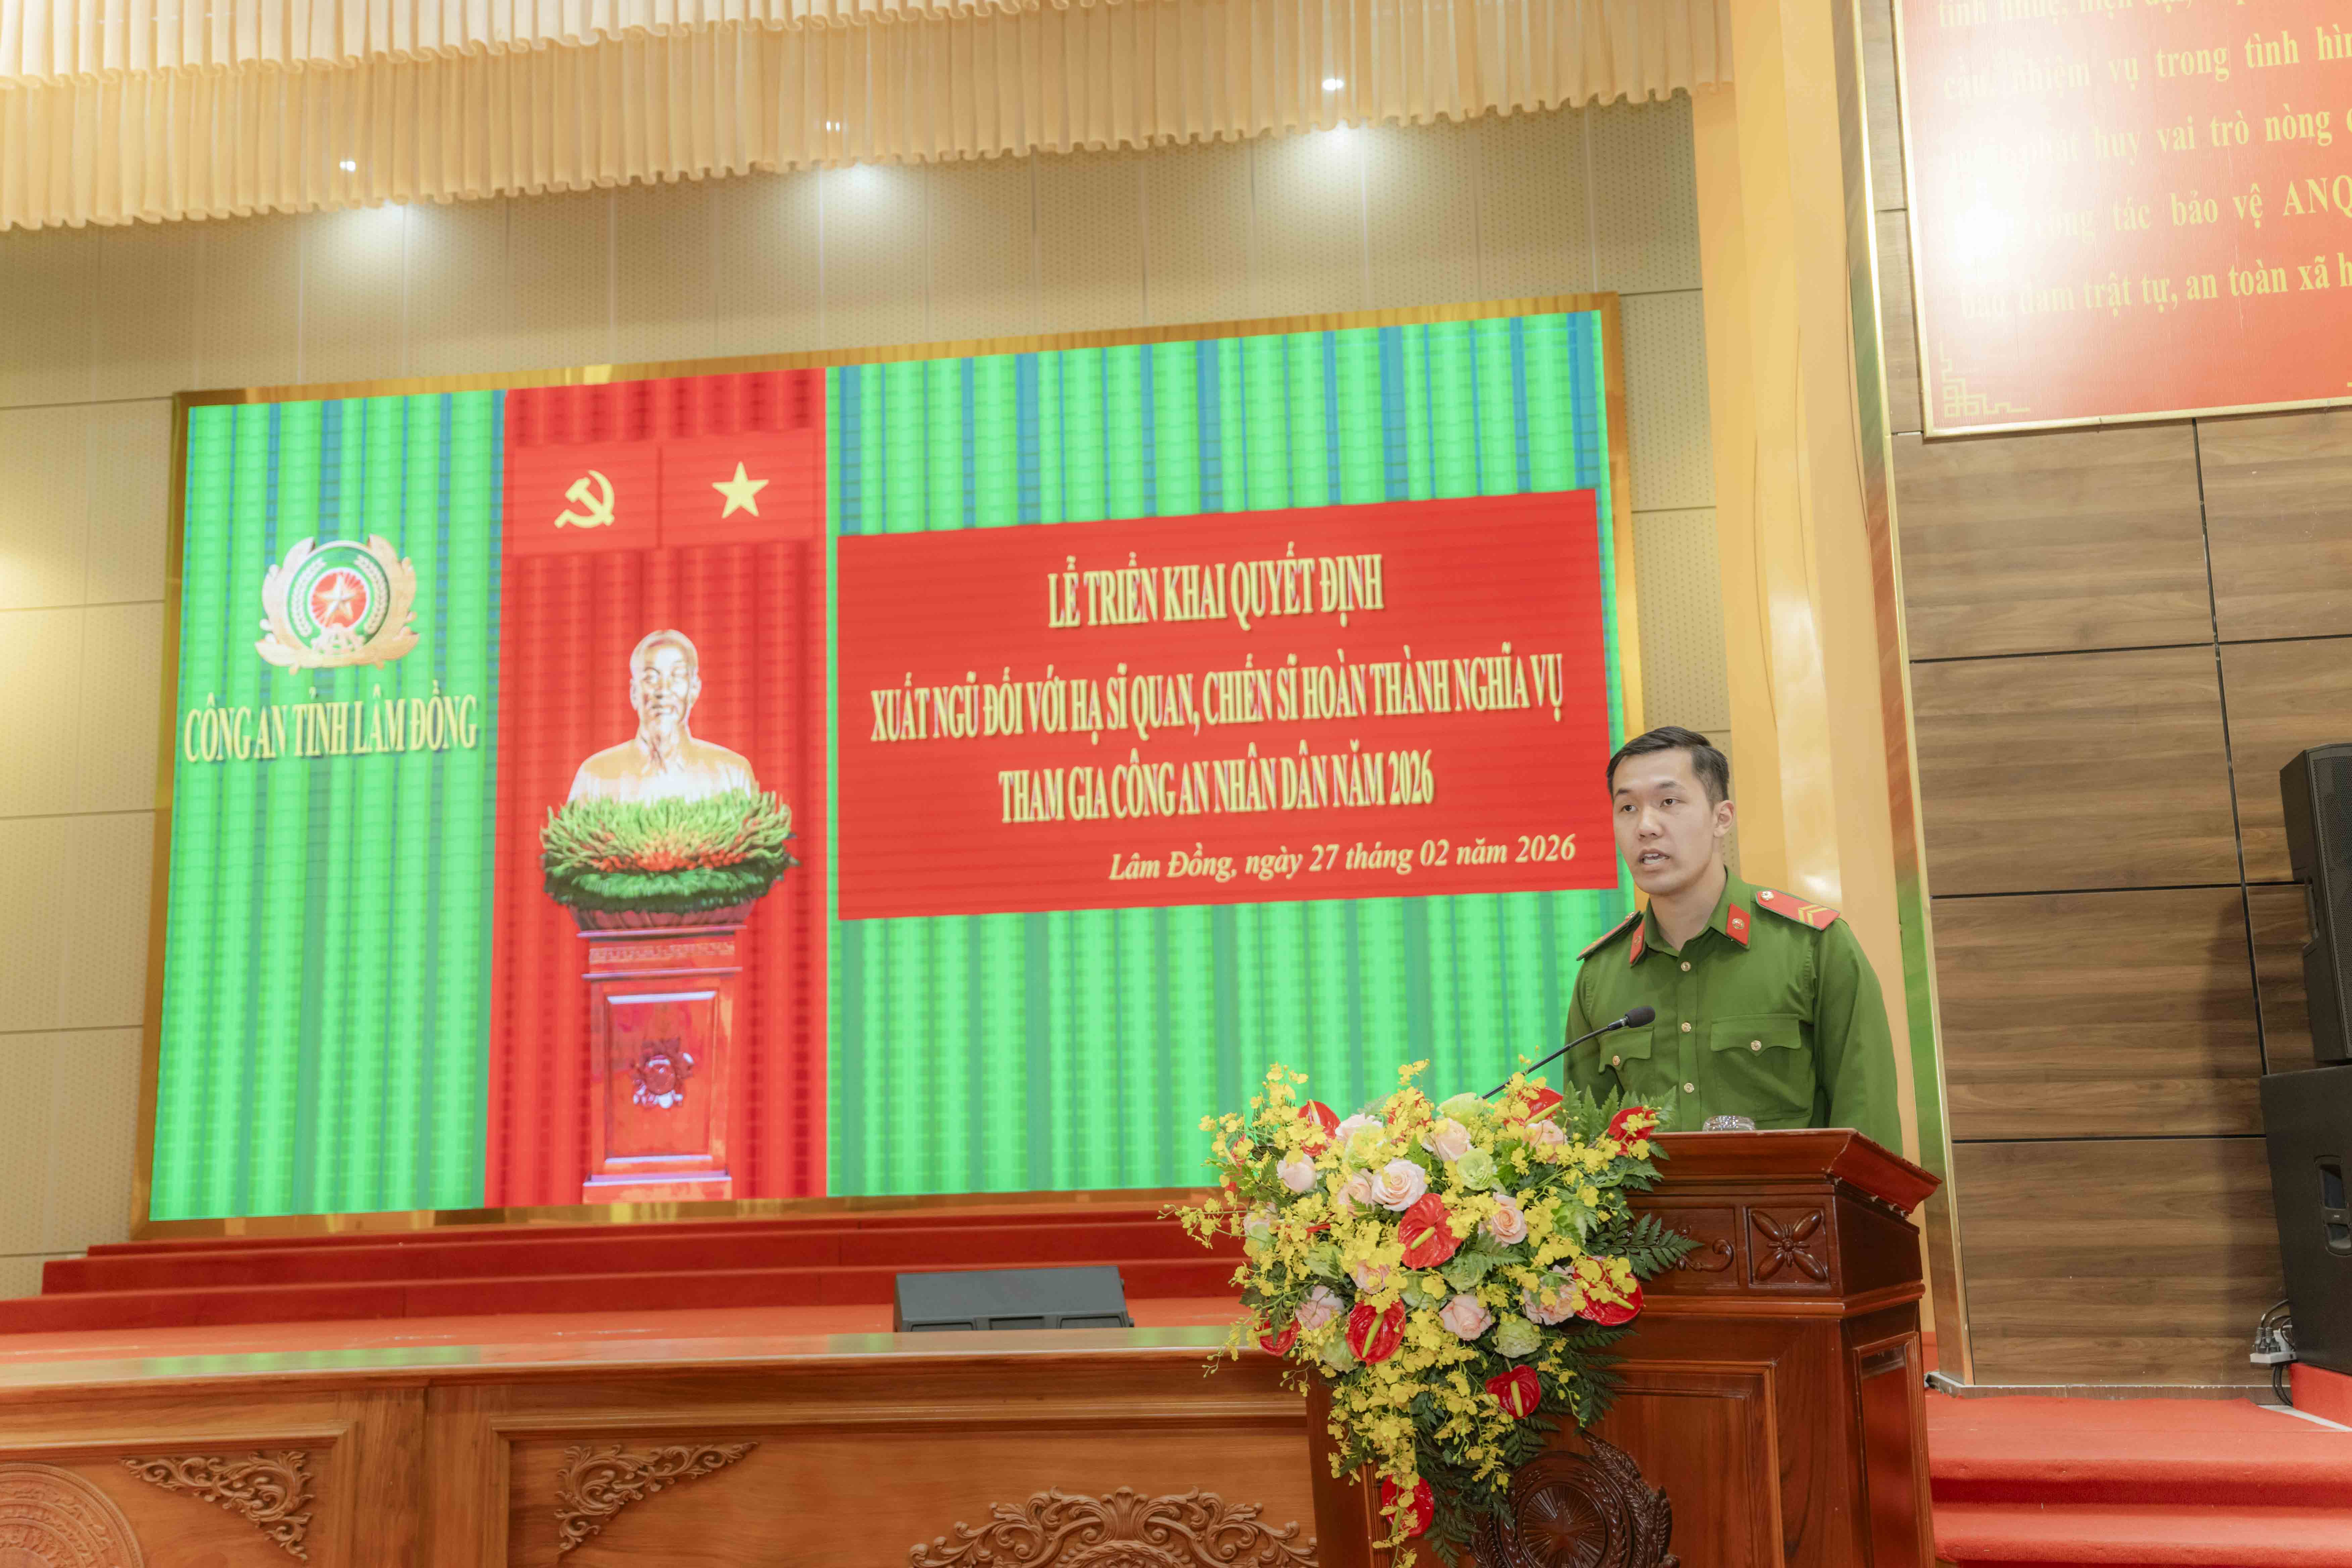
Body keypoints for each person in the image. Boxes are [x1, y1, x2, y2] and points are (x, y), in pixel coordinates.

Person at [1561, 726, 1901, 1148]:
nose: (1645, 826)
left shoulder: (1813, 947)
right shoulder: (1600, 975)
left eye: (1669, 802)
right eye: (1627, 807)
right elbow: (1584, 1150)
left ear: (1722, 818)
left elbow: (1869, 1129)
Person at [568, 629, 759, 803]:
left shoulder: (733, 774)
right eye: (651, 678)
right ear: (634, 693)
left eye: (677, 676)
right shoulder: (595, 776)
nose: (664, 691)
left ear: (694, 689)